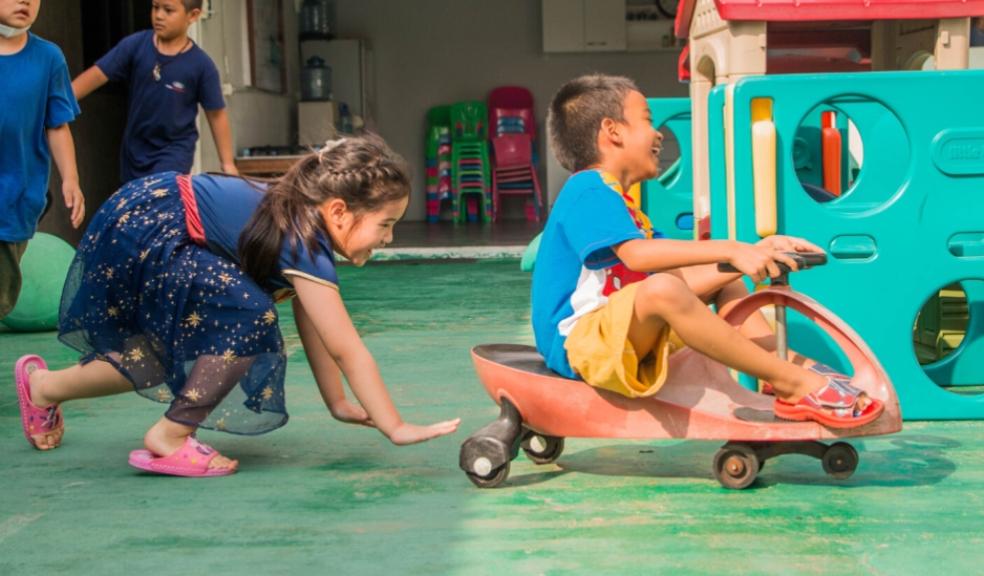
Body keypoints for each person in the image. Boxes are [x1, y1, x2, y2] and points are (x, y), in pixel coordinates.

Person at [14, 134, 460, 477]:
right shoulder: (303, 237)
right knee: (249, 314)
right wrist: (394, 426)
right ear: (340, 211)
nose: (389, 238)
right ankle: (170, 436)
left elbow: (318, 328)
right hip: (157, 224)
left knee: (153, 360)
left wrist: (338, 402)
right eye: (386, 224)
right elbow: (348, 348)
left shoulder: (304, 229)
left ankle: (43, 388)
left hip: (148, 218)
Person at [531, 74, 883, 428]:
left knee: (723, 278)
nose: (658, 134)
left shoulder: (620, 202)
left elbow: (677, 266)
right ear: (613, 132)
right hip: (580, 343)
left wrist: (752, 252)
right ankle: (794, 382)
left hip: (618, 332)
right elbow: (638, 257)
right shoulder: (587, 190)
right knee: (664, 290)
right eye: (648, 120)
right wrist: (731, 249)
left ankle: (781, 365)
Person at [71, 0, 238, 183]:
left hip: (174, 152)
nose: (159, 15)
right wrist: (58, 102)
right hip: (135, 151)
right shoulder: (135, 45)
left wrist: (227, 163)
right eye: (155, 7)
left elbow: (216, 114)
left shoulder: (201, 66)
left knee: (159, 198)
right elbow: (97, 75)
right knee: (135, 207)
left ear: (193, 15)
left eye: (168, 10)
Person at [0, 0, 85, 321]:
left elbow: (57, 125)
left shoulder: (48, 58)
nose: (25, 1)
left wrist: (71, 179)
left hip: (16, 200)